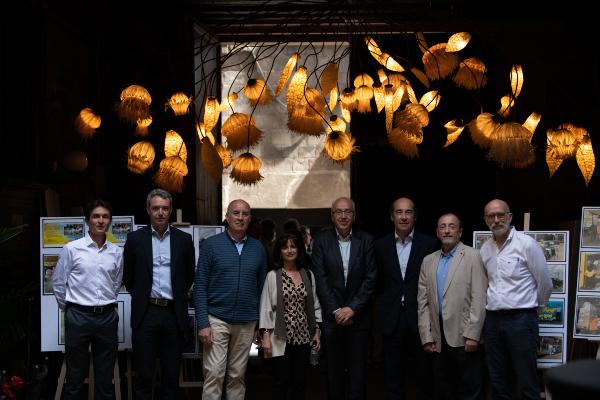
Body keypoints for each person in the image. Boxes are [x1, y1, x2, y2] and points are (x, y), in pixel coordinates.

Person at [123, 188, 195, 400]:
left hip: (174, 314)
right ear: (148, 210)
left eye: (164, 208)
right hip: (146, 313)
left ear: (170, 210)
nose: (160, 213)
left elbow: (188, 275)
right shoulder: (135, 239)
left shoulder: (184, 240)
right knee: (143, 375)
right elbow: (128, 277)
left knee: (171, 377)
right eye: (156, 208)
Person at [194, 199, 267, 399]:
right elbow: (200, 286)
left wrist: (260, 325)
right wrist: (203, 323)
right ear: (227, 217)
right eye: (236, 213)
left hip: (246, 322)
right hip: (216, 319)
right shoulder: (211, 245)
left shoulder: (258, 249)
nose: (240, 218)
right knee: (214, 374)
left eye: (245, 214)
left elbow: (262, 290)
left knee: (237, 375)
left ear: (250, 219)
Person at [480, 199, 552, 400]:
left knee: (526, 379)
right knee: (498, 379)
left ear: (510, 217)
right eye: (491, 216)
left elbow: (545, 284)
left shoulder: (526, 244)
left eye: (500, 215)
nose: (496, 220)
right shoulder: (485, 249)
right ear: (486, 220)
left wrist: (530, 310)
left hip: (521, 320)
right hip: (492, 321)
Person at [52, 199, 123, 400]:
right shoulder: (72, 249)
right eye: (96, 216)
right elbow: (58, 284)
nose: (100, 220)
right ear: (87, 221)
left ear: (110, 222)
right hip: (78, 317)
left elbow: (115, 284)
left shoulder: (117, 252)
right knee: (74, 377)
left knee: (105, 377)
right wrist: (71, 310)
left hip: (107, 317)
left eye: (105, 216)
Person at [311, 196, 377, 400]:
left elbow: (371, 277)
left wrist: (352, 308)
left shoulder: (366, 240)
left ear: (354, 216)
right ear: (332, 216)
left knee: (358, 374)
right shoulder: (321, 240)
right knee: (334, 372)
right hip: (332, 319)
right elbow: (320, 279)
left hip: (359, 318)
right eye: (338, 212)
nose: (343, 216)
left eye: (347, 211)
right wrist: (338, 310)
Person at [417, 213, 488, 400]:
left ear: (460, 231)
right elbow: (422, 302)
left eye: (452, 226)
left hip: (465, 337)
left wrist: (473, 335)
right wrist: (426, 336)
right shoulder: (428, 261)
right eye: (442, 226)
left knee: (470, 390)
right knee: (443, 389)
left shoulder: (474, 256)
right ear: (437, 232)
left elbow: (479, 297)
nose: (447, 230)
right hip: (438, 338)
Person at [374, 197, 438, 400]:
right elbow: (377, 282)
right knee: (392, 375)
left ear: (415, 216)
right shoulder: (380, 245)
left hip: (419, 317)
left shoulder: (429, 243)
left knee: (423, 375)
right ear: (391, 216)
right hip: (391, 318)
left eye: (408, 212)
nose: (403, 216)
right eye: (399, 212)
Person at [259, 232, 322, 400]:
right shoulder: (272, 276)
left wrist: (316, 331)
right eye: (285, 247)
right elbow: (266, 307)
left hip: (303, 337)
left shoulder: (308, 275)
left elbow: (315, 304)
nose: (289, 250)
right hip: (280, 337)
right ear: (279, 251)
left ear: (299, 250)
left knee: (300, 382)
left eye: (293, 246)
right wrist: (265, 337)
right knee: (280, 382)